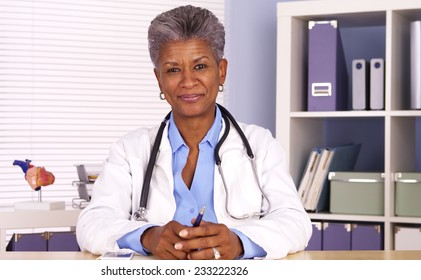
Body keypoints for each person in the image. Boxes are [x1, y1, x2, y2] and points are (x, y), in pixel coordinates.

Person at [76, 5, 312, 260]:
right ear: (159, 79)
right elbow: (92, 223)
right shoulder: (130, 150)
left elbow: (295, 222)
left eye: (200, 67)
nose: (188, 82)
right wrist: (147, 236)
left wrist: (239, 242)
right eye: (173, 70)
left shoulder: (260, 144)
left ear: (221, 71)